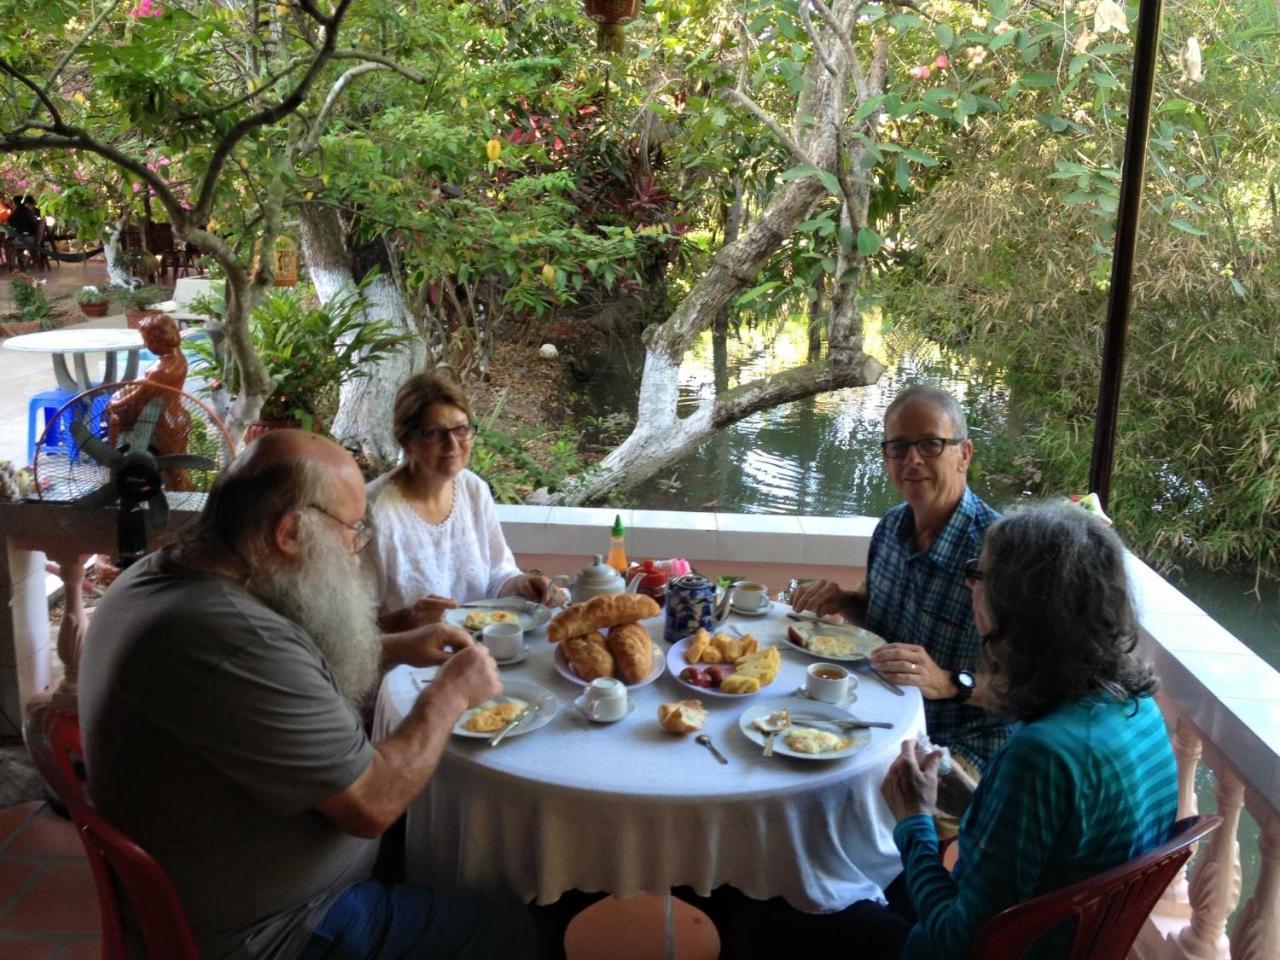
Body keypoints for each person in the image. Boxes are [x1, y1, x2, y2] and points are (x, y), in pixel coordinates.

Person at [79, 430, 535, 959]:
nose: (354, 547)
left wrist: (391, 647)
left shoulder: (165, 578)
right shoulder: (234, 638)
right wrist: (451, 694)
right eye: (351, 530)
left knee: (441, 837)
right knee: (512, 927)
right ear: (291, 532)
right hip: (278, 929)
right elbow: (373, 804)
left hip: (221, 877)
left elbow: (277, 680)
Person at [870, 502, 1179, 958]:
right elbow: (1055, 844)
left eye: (979, 573)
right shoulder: (1138, 711)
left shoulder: (1043, 756)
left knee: (768, 913)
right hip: (1059, 938)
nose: (969, 584)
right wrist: (964, 795)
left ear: (1017, 606)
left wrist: (913, 821)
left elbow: (959, 941)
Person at [790, 385, 1007, 768]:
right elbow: (877, 616)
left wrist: (948, 682)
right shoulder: (891, 527)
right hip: (874, 718)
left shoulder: (1002, 554)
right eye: (899, 447)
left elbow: (1034, 688)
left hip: (955, 745)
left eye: (930, 444)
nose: (912, 460)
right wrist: (842, 601)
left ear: (965, 455)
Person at [364, 371, 560, 632]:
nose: (452, 445)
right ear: (406, 440)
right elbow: (351, 628)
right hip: (410, 664)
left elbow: (497, 576)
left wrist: (523, 585)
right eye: (434, 433)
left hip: (483, 649)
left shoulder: (473, 490)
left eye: (461, 429)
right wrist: (408, 619)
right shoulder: (371, 511)